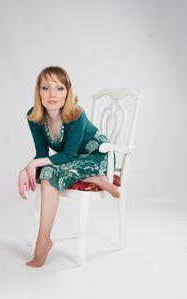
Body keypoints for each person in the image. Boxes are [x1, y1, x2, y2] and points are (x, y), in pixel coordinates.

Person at [18, 65, 120, 268]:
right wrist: (26, 169)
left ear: (68, 91)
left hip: (98, 157)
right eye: (46, 88)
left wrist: (31, 165)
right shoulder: (34, 117)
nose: (52, 94)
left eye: (59, 88)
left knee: (46, 170)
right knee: (47, 172)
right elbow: (42, 155)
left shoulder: (76, 114)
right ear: (38, 91)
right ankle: (43, 242)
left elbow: (67, 155)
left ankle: (98, 175)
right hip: (72, 162)